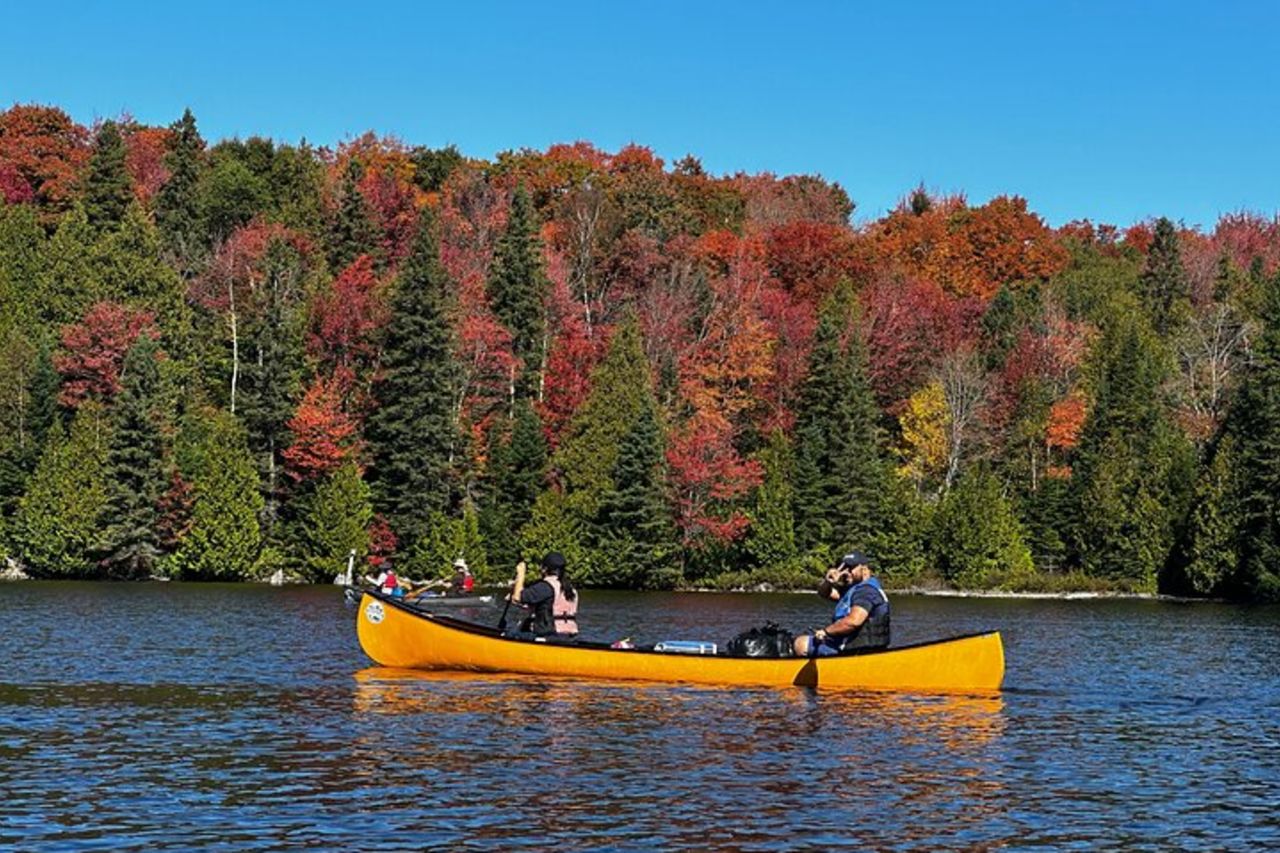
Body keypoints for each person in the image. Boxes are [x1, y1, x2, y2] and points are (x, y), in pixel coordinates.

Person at [793, 551, 890, 656]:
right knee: (796, 641)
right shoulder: (852, 589)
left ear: (864, 570)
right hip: (848, 645)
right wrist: (828, 582)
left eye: (851, 568)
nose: (846, 572)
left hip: (859, 651)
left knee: (801, 644)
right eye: (844, 568)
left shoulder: (866, 591)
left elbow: (853, 621)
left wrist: (826, 632)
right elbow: (824, 593)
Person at [509, 552, 579, 638]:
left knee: (511, 634)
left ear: (544, 569)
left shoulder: (545, 587)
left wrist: (521, 574)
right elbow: (548, 606)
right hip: (569, 637)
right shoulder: (571, 589)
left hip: (549, 635)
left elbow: (517, 597)